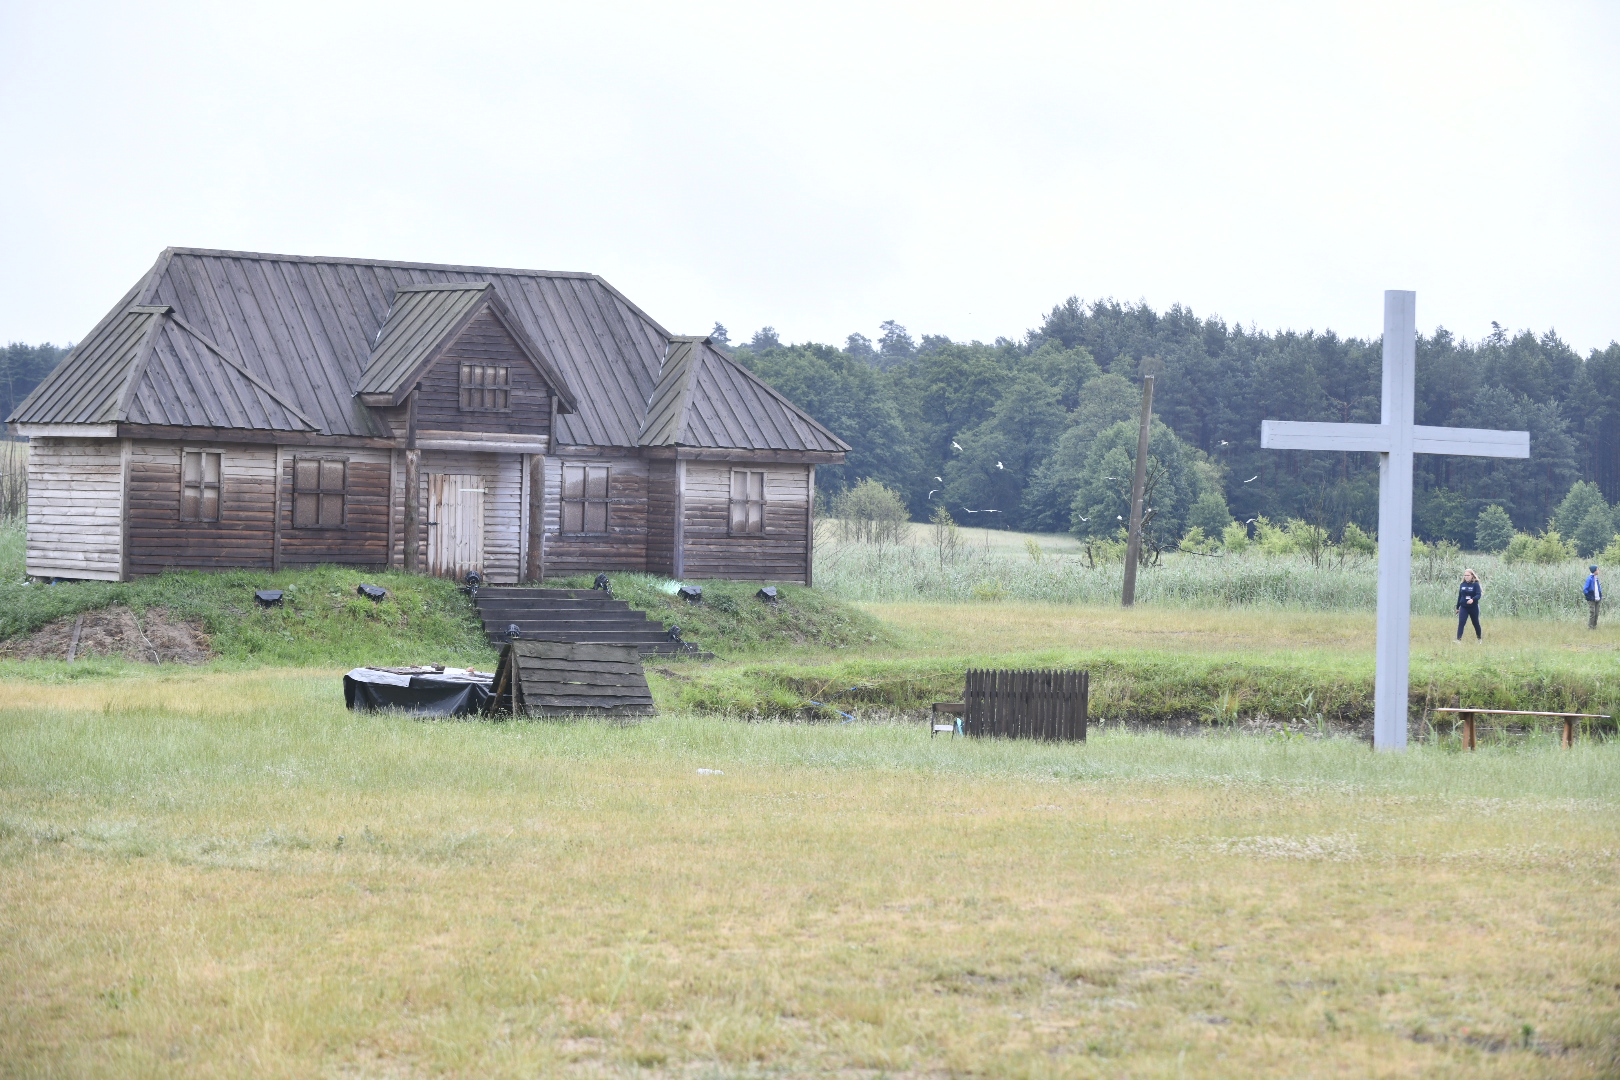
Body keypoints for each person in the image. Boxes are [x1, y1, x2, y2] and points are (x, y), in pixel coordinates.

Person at [1455, 569, 1482, 642]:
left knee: (1475, 623)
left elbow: (1478, 595)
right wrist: (1457, 607)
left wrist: (1473, 599)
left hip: (1473, 607)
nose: (1466, 577)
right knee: (1461, 622)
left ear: (1472, 576)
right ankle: (1458, 640)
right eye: (1465, 575)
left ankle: (1479, 639)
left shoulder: (1476, 584)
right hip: (1464, 607)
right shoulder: (1462, 584)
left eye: (1468, 575)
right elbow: (1460, 596)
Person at [1585, 564, 1603, 629]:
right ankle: (1590, 627)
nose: (1598, 571)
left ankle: (1594, 626)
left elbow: (1598, 588)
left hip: (1597, 598)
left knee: (1596, 613)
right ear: (1594, 571)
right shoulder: (1589, 578)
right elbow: (1585, 589)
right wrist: (1589, 596)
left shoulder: (1596, 578)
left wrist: (1600, 595)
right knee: (1592, 613)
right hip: (1592, 598)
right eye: (1597, 569)